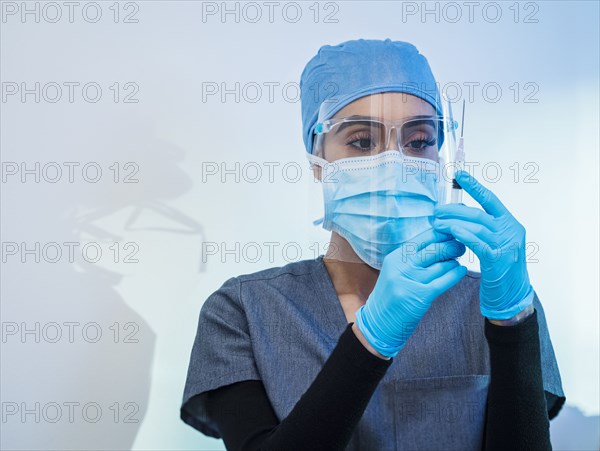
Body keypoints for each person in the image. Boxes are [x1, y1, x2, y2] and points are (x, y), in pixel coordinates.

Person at [180, 38, 565, 450]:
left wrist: (513, 324)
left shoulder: (492, 303)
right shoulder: (243, 311)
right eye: (362, 141)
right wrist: (370, 341)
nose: (394, 163)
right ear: (317, 158)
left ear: (440, 157)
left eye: (419, 142)